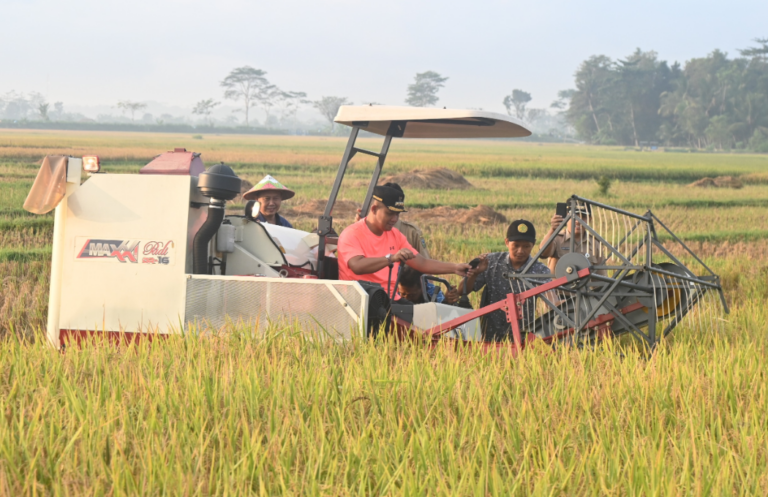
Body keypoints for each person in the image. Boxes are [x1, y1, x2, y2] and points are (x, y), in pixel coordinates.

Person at [337, 185, 473, 297]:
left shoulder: (395, 235)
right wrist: (392, 258)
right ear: (374, 209)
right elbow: (357, 266)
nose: (395, 219)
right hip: (359, 299)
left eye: (398, 214)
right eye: (390, 213)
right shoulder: (352, 234)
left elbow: (422, 263)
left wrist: (455, 268)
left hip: (390, 300)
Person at [459, 220, 551, 342]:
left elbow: (551, 298)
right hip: (488, 336)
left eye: (526, 246)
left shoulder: (541, 271)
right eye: (516, 245)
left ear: (533, 244)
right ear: (507, 242)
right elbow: (462, 291)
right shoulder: (491, 262)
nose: (520, 251)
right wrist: (474, 274)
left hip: (522, 338)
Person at [538, 202, 605, 274]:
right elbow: (543, 253)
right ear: (566, 217)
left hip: (584, 285)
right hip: (558, 285)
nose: (577, 221)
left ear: (590, 219)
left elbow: (601, 277)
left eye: (583, 217)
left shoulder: (595, 244)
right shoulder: (556, 239)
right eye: (574, 216)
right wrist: (553, 229)